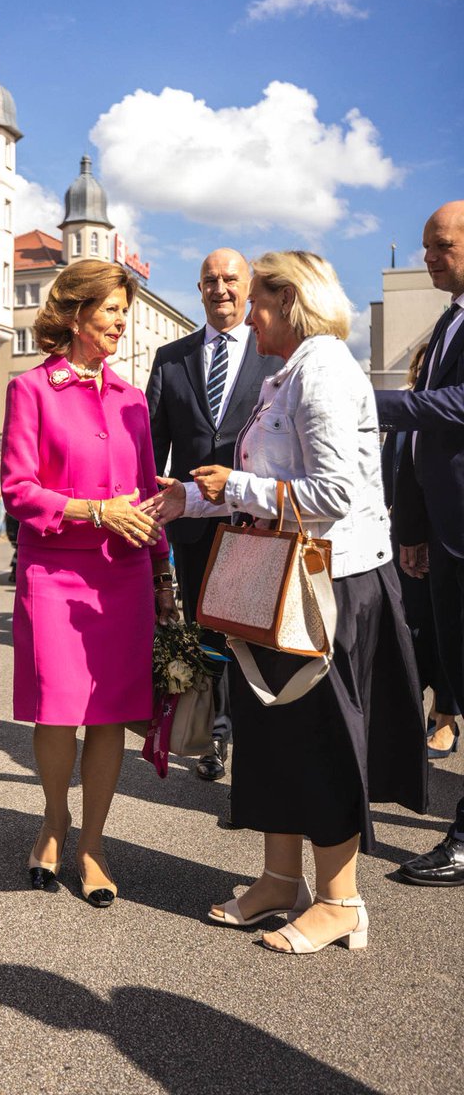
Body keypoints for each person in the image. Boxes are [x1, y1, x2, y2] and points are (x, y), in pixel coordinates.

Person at [144, 250, 427, 953]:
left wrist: (229, 489)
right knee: (271, 737)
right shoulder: (289, 373)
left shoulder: (325, 369)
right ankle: (279, 879)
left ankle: (340, 901)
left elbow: (332, 495)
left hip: (328, 583)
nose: (249, 314)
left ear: (289, 302)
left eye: (261, 303)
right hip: (282, 580)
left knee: (321, 736)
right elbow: (266, 484)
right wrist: (188, 498)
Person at [1, 259, 175, 908]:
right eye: (110, 311)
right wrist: (95, 510)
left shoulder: (133, 400)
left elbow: (150, 492)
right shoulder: (32, 391)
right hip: (53, 568)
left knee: (110, 714)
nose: (121, 324)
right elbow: (18, 489)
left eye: (125, 313)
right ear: (76, 314)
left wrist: (162, 571)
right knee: (58, 707)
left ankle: (93, 845)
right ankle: (54, 818)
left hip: (124, 575)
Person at [146, 249, 280, 781]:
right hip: (195, 526)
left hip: (256, 524)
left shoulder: (276, 357)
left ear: (249, 287)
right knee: (208, 634)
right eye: (209, 280)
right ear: (198, 289)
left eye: (230, 279)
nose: (220, 288)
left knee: (256, 636)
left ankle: (260, 739)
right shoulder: (170, 357)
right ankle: (216, 735)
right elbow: (151, 453)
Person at [375, 200, 464, 885]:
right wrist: (414, 530)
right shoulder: (446, 322)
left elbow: (455, 407)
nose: (428, 257)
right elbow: (417, 450)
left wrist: (367, 399)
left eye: (440, 246)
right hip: (443, 533)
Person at [381, 344, 440, 733]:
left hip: (444, 535)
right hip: (405, 535)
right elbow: (392, 476)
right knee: (412, 626)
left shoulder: (440, 417)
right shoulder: (405, 422)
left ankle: (446, 711)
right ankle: (411, 714)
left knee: (442, 630)